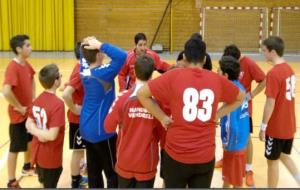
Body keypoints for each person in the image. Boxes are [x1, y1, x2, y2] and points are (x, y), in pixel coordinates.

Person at [137, 37, 245, 188]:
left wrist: (162, 117)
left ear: (185, 57)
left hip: (176, 155)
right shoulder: (216, 79)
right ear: (204, 57)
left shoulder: (173, 76)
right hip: (205, 156)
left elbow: (142, 93)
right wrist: (217, 115)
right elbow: (240, 97)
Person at [104, 54, 161, 188]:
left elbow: (108, 127)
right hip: (147, 163)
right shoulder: (159, 101)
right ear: (152, 73)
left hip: (125, 161)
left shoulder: (122, 98)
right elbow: (162, 134)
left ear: (134, 71)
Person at [79, 36, 127, 188]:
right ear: (99, 54)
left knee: (94, 172)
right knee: (112, 172)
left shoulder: (84, 70)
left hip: (86, 128)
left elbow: (83, 56)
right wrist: (100, 44)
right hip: (102, 131)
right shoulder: (103, 73)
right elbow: (121, 56)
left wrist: (85, 45)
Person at [216, 44, 266, 187]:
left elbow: (264, 79)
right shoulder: (233, 83)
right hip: (233, 120)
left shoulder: (248, 63)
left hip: (240, 117)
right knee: (228, 177)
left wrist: (252, 95)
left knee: (246, 140)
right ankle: (228, 159)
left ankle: (248, 169)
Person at [259, 36, 300, 187]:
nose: (263, 53)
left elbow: (270, 103)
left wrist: (263, 127)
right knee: (284, 156)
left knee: (272, 162)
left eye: (264, 51)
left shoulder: (274, 73)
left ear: (273, 52)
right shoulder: (289, 69)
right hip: (289, 124)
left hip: (276, 128)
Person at [2, 34, 36, 188]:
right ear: (19, 49)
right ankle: (11, 180)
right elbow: (6, 91)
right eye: (27, 45)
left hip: (28, 113)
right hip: (18, 116)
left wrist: (33, 101)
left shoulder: (26, 65)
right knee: (15, 147)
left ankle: (27, 166)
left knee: (30, 140)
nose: (31, 48)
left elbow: (32, 78)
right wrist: (19, 107)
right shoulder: (12, 67)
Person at [25, 64, 65, 188]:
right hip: (51, 157)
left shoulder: (37, 100)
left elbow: (28, 124)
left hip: (38, 154)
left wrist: (36, 132)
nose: (61, 77)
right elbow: (52, 135)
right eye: (60, 76)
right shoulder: (58, 104)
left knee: (44, 183)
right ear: (56, 81)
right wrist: (43, 134)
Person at [218, 56, 250, 188]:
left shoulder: (232, 94)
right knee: (227, 178)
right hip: (240, 142)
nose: (217, 72)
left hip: (233, 144)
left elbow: (232, 124)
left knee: (235, 182)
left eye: (219, 70)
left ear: (225, 75)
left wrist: (228, 143)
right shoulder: (239, 87)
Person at [62, 42, 87, 188]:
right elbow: (66, 95)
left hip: (82, 118)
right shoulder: (80, 70)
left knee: (81, 149)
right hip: (77, 119)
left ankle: (80, 176)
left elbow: (70, 86)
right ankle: (75, 182)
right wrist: (74, 109)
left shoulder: (82, 68)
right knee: (77, 151)